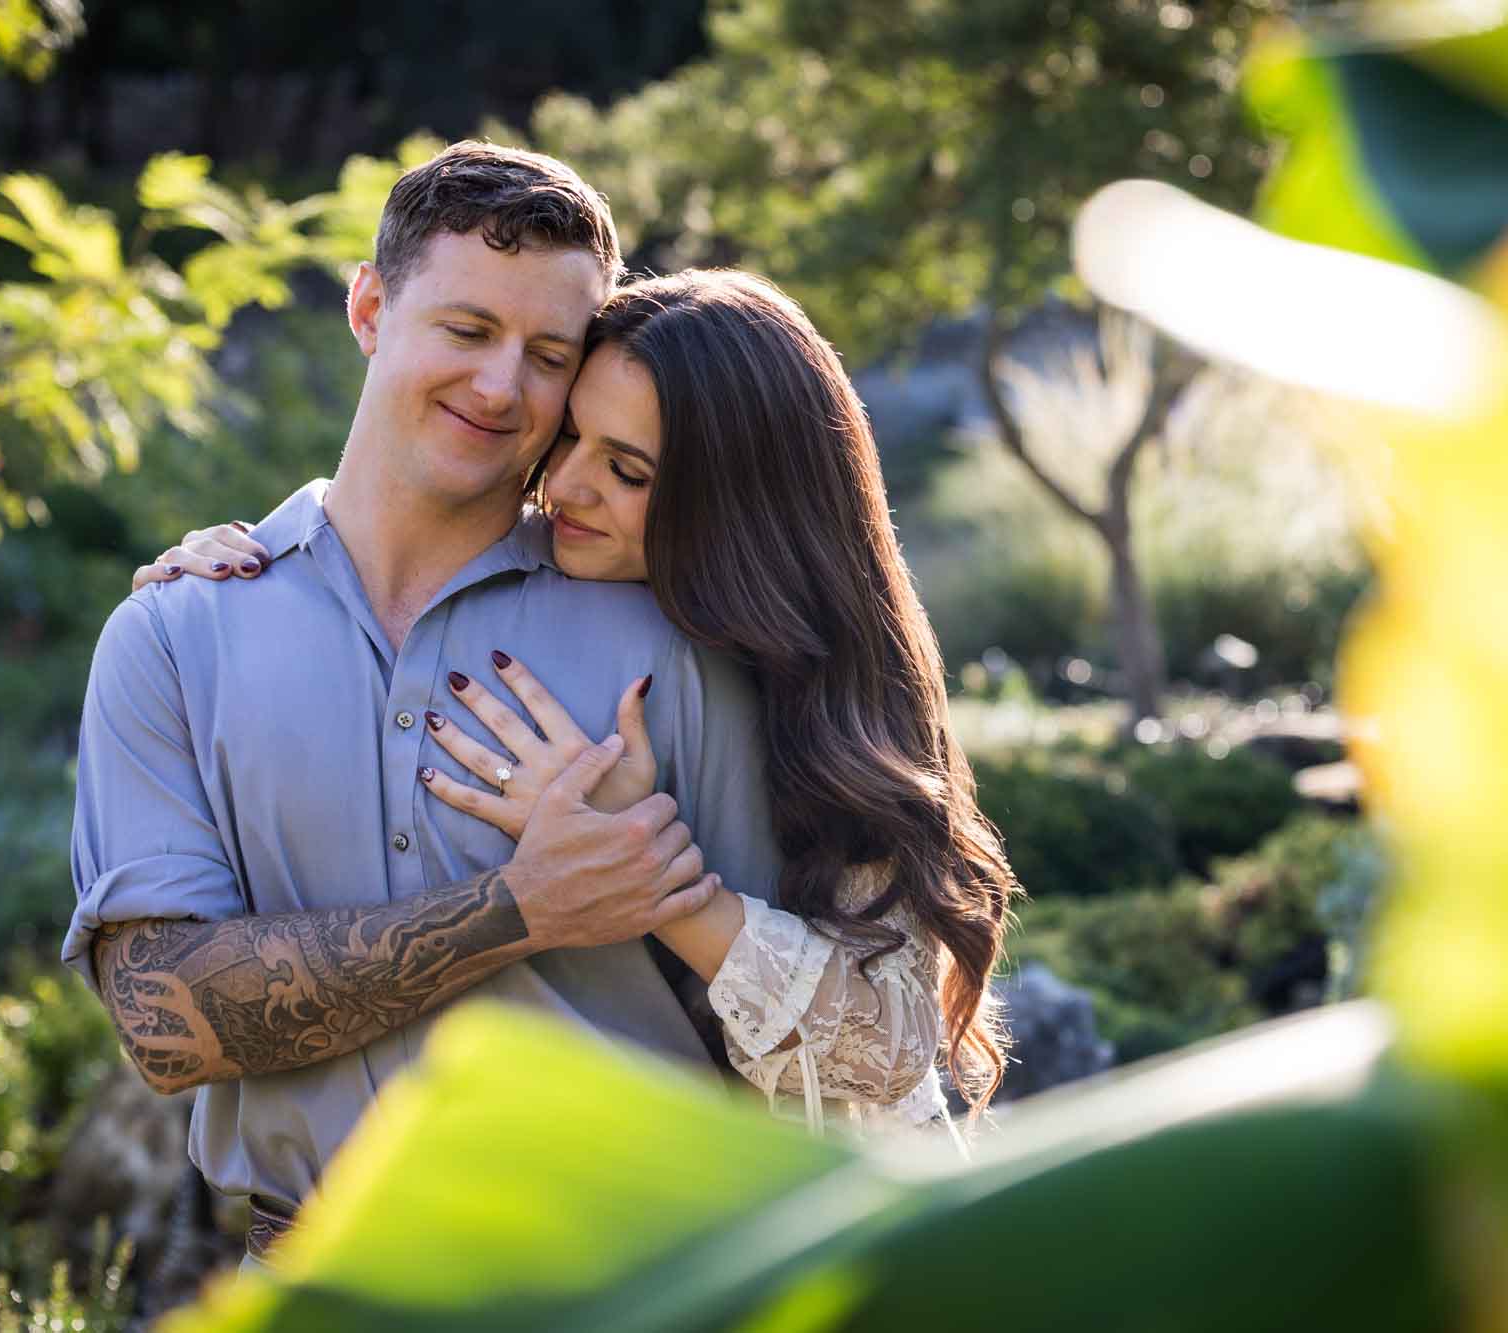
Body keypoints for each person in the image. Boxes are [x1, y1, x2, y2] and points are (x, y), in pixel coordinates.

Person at [65, 142, 786, 1269]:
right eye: (466, 329)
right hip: (320, 1279)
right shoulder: (176, 637)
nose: (500, 387)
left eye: (548, 355)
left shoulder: (669, 638)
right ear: (368, 307)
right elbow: (167, 1019)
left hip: (633, 1280)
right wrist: (519, 908)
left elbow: (781, 1014)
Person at [135, 269, 1020, 1144]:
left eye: (626, 470)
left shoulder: (832, 693)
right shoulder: (544, 570)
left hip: (835, 1208)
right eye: (569, 438)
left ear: (736, 506)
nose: (565, 486)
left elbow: (889, 1051)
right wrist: (251, 574)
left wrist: (644, 867)